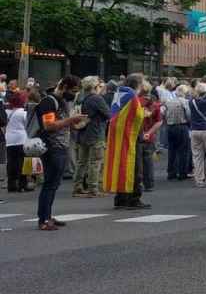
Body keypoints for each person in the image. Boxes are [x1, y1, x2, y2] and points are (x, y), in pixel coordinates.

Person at [35, 76, 86, 230]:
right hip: (52, 147)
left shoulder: (61, 101)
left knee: (54, 184)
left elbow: (60, 123)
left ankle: (47, 216)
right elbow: (49, 125)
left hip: (61, 146)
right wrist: (71, 120)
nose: (74, 94)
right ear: (63, 87)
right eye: (73, 91)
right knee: (49, 184)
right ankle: (43, 220)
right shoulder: (49, 102)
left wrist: (74, 123)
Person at [106, 74, 152, 211]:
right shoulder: (132, 95)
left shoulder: (120, 93)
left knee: (121, 166)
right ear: (138, 84)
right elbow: (137, 115)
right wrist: (145, 114)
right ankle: (133, 199)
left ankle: (120, 198)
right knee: (134, 168)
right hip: (130, 135)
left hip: (118, 135)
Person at [72, 77, 110, 198]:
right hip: (96, 132)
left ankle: (77, 186)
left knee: (81, 162)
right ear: (95, 86)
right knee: (95, 162)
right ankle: (93, 188)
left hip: (82, 133)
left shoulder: (81, 98)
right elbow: (108, 114)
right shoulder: (97, 99)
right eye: (99, 85)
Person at [163, 84, 191, 181]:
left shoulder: (168, 102)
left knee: (172, 150)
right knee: (183, 151)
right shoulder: (185, 102)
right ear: (185, 93)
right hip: (182, 126)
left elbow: (163, 112)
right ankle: (182, 173)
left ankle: (171, 172)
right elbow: (188, 114)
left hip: (170, 127)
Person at [5, 92, 29, 193]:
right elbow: (26, 125)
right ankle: (22, 185)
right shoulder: (23, 113)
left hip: (9, 139)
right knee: (22, 162)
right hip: (21, 139)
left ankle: (11, 185)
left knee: (11, 162)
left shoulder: (7, 112)